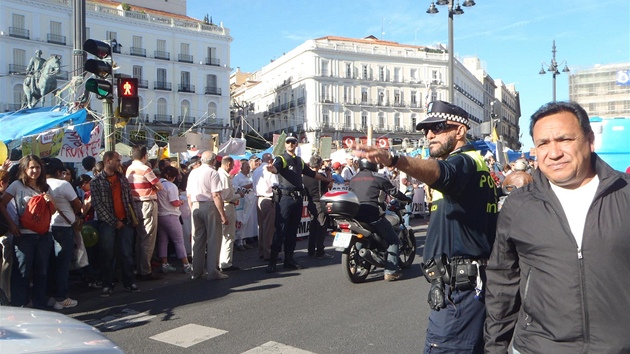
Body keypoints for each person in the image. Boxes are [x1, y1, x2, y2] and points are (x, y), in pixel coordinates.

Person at [485, 101, 630, 353]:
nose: (553, 153)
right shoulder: (519, 205)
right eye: (543, 143)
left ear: (589, 140)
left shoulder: (625, 193)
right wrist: (494, 347)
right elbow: (502, 282)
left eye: (564, 139)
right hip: (538, 346)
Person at [354, 100, 498, 352]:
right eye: (425, 130)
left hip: (460, 292)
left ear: (460, 131)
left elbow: (439, 172)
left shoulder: (463, 162)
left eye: (438, 127)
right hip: (466, 286)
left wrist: (393, 158)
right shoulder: (476, 163)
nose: (429, 134)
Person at [265, 134, 333, 273]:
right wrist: (271, 169)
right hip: (285, 198)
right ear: (285, 144)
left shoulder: (299, 161)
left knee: (292, 231)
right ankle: (272, 261)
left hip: (297, 198)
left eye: (293, 142)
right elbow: (276, 168)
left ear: (296, 144)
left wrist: (327, 180)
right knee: (281, 229)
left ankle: (289, 259)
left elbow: (312, 174)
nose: (290, 144)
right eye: (288, 142)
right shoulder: (282, 158)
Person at [0, 155, 55, 308]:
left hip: (44, 234)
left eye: (37, 167)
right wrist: (11, 224)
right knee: (22, 272)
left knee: (41, 271)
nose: (34, 170)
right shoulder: (17, 185)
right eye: (31, 167)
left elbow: (53, 211)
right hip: (23, 235)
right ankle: (19, 306)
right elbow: (2, 204)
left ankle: (39, 305)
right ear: (25, 169)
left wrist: (51, 202)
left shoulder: (45, 186)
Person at [349, 158, 410, 280]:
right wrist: (406, 199)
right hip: (372, 215)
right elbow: (394, 192)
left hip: (355, 216)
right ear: (373, 165)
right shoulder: (377, 177)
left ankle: (356, 262)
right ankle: (390, 271)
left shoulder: (353, 179)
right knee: (393, 240)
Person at [91, 151, 141, 296]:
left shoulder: (122, 179)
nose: (120, 163)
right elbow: (98, 205)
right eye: (117, 160)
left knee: (127, 253)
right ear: (108, 161)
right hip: (108, 223)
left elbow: (129, 199)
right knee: (107, 254)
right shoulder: (96, 182)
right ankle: (108, 284)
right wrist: (114, 221)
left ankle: (129, 282)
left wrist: (134, 218)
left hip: (125, 220)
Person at [43, 157, 82, 310]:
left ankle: (52, 295)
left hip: (47, 227)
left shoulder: (41, 185)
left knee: (51, 263)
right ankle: (62, 297)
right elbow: (77, 204)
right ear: (59, 172)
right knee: (63, 264)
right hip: (63, 227)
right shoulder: (63, 184)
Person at [186, 151, 229, 280]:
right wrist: (222, 214)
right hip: (209, 205)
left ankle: (196, 271)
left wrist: (192, 207)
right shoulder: (213, 173)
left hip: (195, 205)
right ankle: (212, 271)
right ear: (214, 161)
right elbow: (216, 195)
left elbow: (188, 194)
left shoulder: (193, 172)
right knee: (213, 239)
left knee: (198, 240)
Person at [126, 145, 163, 281]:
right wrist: (153, 188)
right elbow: (160, 186)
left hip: (134, 205)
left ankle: (140, 268)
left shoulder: (129, 169)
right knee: (148, 238)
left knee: (139, 238)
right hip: (147, 202)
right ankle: (145, 270)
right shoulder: (145, 169)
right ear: (144, 155)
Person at [156, 166, 191, 274]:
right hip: (171, 215)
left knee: (163, 241)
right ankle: (186, 264)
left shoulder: (157, 184)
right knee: (179, 241)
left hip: (160, 215)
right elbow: (174, 202)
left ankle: (164, 263)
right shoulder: (171, 186)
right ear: (173, 176)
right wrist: (181, 202)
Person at [303, 155, 334, 259]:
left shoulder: (305, 177)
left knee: (313, 227)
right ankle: (320, 251)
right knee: (321, 227)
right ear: (319, 164)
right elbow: (330, 185)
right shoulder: (319, 176)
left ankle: (311, 250)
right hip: (319, 202)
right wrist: (328, 175)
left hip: (310, 202)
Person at [253, 153, 278, 261]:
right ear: (270, 160)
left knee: (261, 226)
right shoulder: (269, 170)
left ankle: (262, 251)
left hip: (258, 198)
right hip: (268, 198)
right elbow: (275, 185)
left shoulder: (256, 171)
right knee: (268, 228)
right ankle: (268, 252)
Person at [217, 156, 240, 272]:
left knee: (223, 235)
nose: (232, 168)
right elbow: (227, 196)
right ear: (229, 164)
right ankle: (225, 263)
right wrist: (239, 195)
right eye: (232, 165)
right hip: (227, 205)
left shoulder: (220, 175)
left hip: (224, 205)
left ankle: (222, 261)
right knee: (228, 235)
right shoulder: (224, 176)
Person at [233, 159, 256, 251]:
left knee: (246, 222)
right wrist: (248, 186)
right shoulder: (237, 178)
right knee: (240, 222)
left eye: (249, 167)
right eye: (246, 167)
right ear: (241, 168)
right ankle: (238, 242)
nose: (248, 169)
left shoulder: (249, 177)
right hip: (240, 204)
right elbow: (235, 188)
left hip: (249, 202)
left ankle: (244, 240)